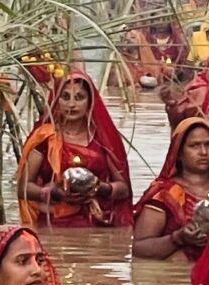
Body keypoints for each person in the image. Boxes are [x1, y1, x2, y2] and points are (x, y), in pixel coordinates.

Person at [16, 70, 133, 229]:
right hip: (53, 226)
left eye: (79, 97)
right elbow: (23, 188)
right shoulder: (45, 138)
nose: (71, 104)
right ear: (57, 101)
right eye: (65, 97)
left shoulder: (102, 139)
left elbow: (124, 188)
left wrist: (100, 188)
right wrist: (52, 193)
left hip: (97, 226)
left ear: (89, 102)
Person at [131, 118, 209, 261]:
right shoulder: (164, 194)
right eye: (194, 146)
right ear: (179, 153)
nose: (203, 152)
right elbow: (139, 248)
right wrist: (178, 238)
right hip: (175, 278)